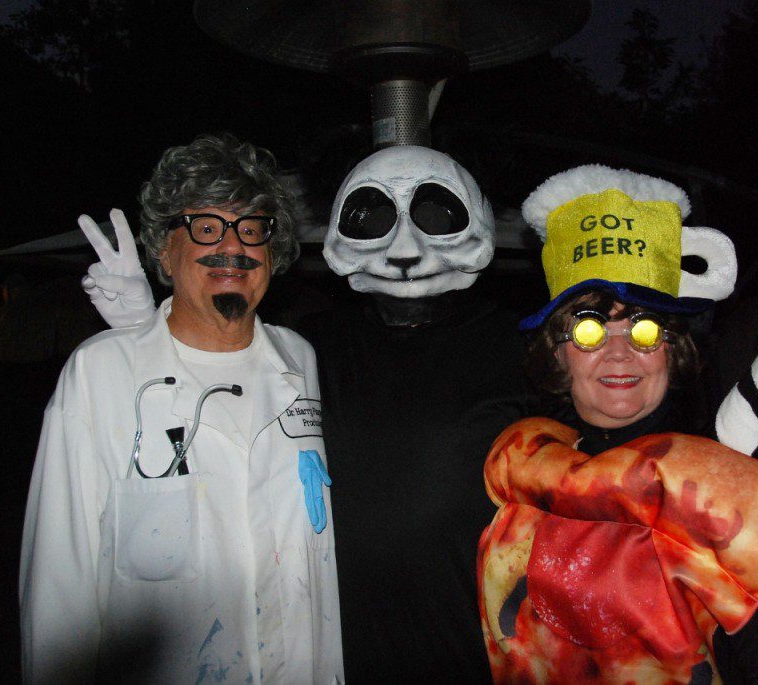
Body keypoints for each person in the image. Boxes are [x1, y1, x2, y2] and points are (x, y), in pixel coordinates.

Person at [82, 145, 533, 681]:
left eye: (436, 218)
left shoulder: (523, 350)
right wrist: (146, 336)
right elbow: (224, 389)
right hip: (330, 655)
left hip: (474, 656)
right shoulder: (306, 348)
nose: (405, 249)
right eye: (375, 221)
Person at [476, 165, 758, 683]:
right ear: (559, 354)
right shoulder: (524, 469)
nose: (619, 352)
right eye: (588, 331)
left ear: (672, 351)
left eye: (645, 329)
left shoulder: (725, 485)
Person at [19, 133, 343, 683]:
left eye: (252, 228)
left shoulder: (300, 360)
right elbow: (58, 584)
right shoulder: (100, 373)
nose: (233, 246)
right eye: (206, 227)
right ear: (164, 250)